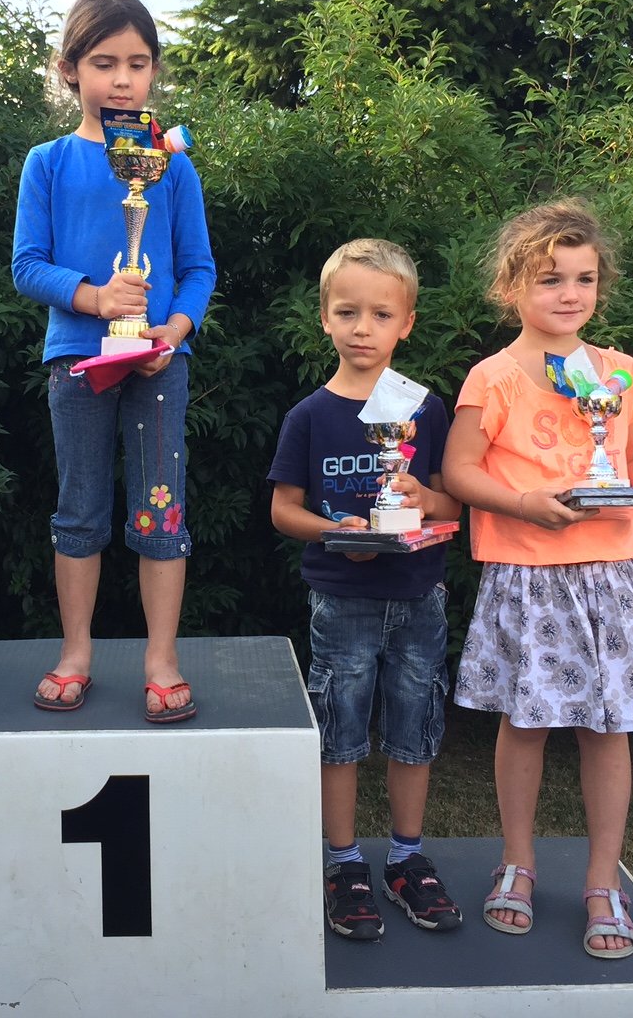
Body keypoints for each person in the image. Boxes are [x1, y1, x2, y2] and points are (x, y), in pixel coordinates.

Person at [441, 199, 633, 959]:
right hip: (528, 576)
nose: (570, 293)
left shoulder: (620, 372)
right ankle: (517, 864)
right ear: (511, 288)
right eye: (550, 279)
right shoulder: (493, 378)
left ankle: (603, 880)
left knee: (608, 728)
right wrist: (523, 504)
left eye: (584, 279)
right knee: (526, 723)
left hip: (613, 573)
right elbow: (458, 470)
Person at [11, 0, 216, 723]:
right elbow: (27, 265)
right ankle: (76, 654)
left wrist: (173, 332)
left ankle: (162, 660)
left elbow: (198, 269)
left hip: (160, 365)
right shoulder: (48, 162)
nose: (122, 79)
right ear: (70, 69)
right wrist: (96, 298)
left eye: (137, 62)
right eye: (104, 63)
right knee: (79, 509)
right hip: (77, 361)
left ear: (155, 70)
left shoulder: (173, 164)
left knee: (162, 509)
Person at [267, 238, 463, 941]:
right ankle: (343, 863)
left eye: (381, 315)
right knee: (340, 732)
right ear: (324, 317)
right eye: (347, 312)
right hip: (341, 599)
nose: (362, 328)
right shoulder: (309, 415)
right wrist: (334, 530)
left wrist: (421, 497)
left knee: (415, 727)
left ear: (406, 323)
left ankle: (407, 858)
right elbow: (283, 509)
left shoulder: (426, 410)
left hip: (417, 595)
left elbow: (452, 504)